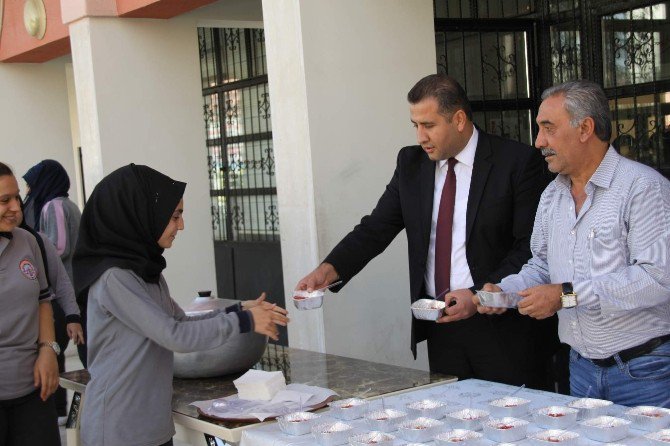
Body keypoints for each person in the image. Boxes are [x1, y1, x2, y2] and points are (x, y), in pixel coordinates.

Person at [296, 74, 559, 388]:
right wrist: (330, 270)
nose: (421, 136)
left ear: (459, 119)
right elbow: (375, 228)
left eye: (429, 125)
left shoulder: (516, 162)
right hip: (441, 326)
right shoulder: (411, 164)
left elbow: (529, 248)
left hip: (505, 330)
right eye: (415, 125)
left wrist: (478, 296)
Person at [478, 80, 670, 407]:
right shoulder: (553, 195)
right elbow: (540, 265)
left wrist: (566, 295)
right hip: (580, 368)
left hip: (644, 370)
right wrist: (504, 292)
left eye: (548, 129)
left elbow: (659, 278)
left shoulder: (642, 188)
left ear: (585, 128)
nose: (539, 142)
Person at [72, 164, 289, 446]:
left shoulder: (146, 273)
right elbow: (174, 336)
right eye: (175, 216)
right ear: (139, 215)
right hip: (119, 430)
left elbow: (181, 321)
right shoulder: (114, 278)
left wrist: (239, 310)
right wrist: (246, 321)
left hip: (153, 427)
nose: (181, 226)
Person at [0, 161, 61, 445]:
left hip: (34, 390)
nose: (16, 207)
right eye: (4, 200)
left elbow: (43, 300)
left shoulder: (28, 242)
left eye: (16, 197)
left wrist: (48, 350)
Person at [23, 159, 86, 414]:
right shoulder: (65, 204)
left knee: (53, 349)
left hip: (63, 292)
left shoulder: (54, 206)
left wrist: (31, 244)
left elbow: (59, 246)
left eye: (29, 185)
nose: (27, 192)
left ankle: (59, 409)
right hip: (72, 286)